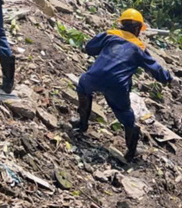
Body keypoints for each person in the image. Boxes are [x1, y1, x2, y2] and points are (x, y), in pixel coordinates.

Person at [73, 9, 172, 161]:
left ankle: (82, 124)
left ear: (122, 24)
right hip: (117, 85)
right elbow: (154, 69)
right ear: (138, 29)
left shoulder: (109, 34)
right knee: (125, 114)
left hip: (95, 77)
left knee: (83, 87)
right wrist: (167, 78)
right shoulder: (139, 47)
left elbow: (89, 48)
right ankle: (131, 151)